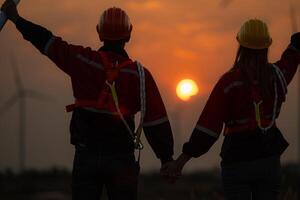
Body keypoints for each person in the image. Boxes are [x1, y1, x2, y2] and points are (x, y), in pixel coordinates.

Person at [1, 1, 174, 200]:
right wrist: (166, 159)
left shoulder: (82, 59)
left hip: (86, 157)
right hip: (121, 160)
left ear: (99, 33)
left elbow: (47, 42)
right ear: (129, 34)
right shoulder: (139, 76)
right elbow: (156, 121)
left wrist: (16, 19)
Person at [162, 19, 300, 199]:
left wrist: (180, 162)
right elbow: (290, 60)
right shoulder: (277, 77)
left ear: (240, 46)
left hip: (237, 162)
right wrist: (295, 44)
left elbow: (207, 128)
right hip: (268, 160)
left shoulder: (228, 83)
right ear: (267, 46)